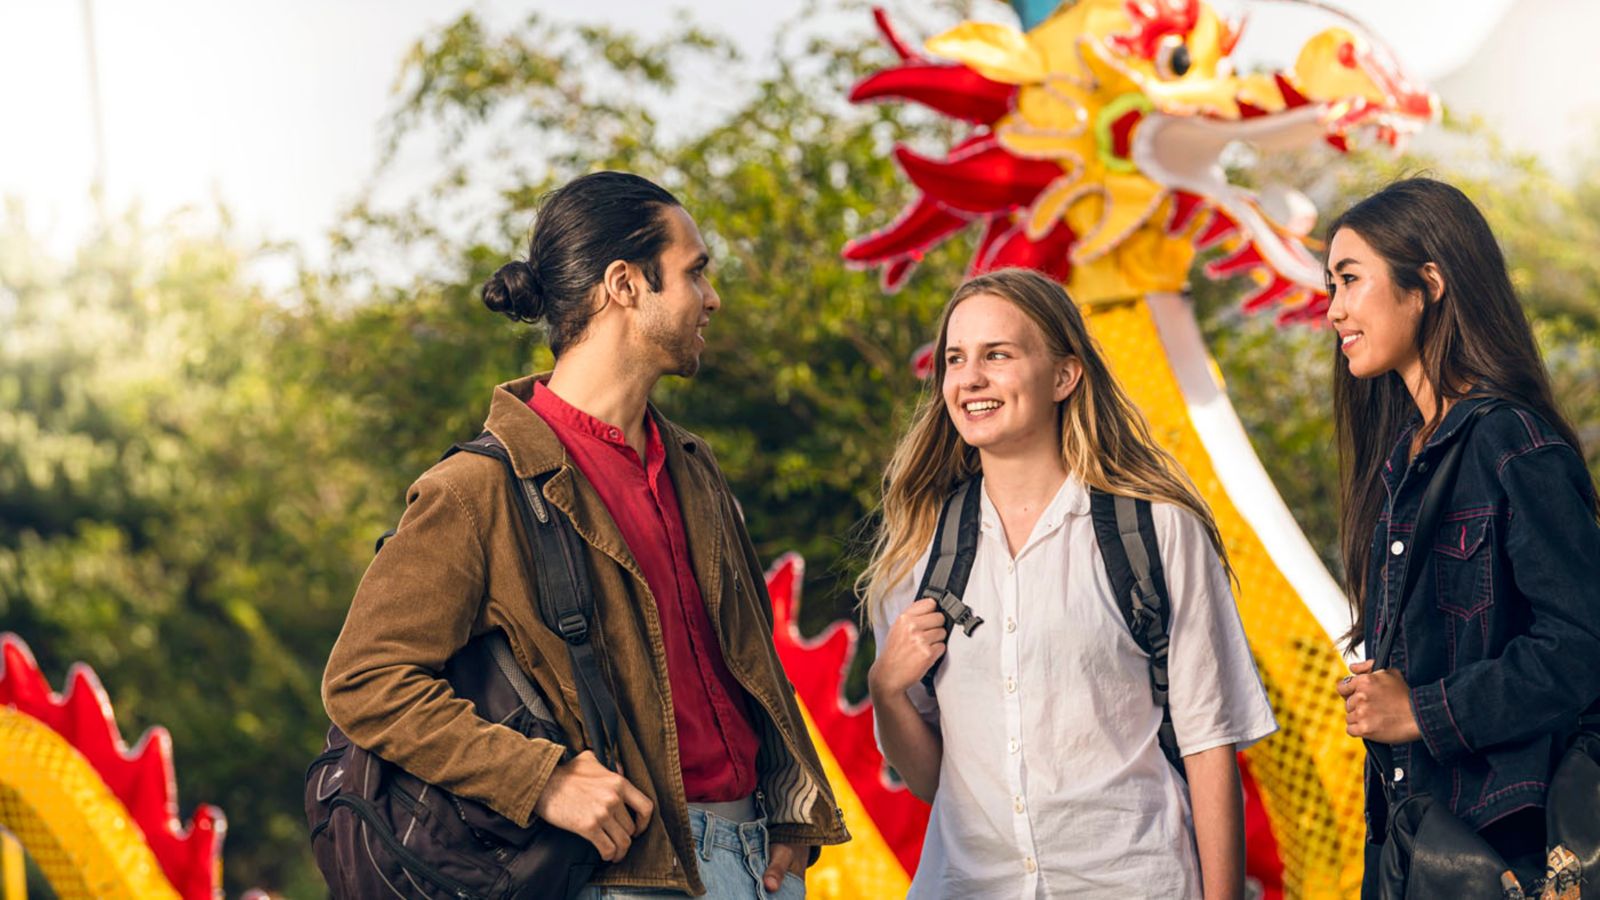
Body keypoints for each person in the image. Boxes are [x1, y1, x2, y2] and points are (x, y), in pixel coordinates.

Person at [321, 170, 847, 898]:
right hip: (627, 876)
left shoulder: (691, 463)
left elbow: (744, 658)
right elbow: (364, 681)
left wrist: (791, 809)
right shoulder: (477, 490)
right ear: (625, 284)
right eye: (695, 272)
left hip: (759, 864)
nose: (712, 297)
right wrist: (540, 780)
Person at [861, 267, 1277, 899]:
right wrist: (886, 690)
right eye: (956, 359)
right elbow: (932, 781)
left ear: (1063, 375)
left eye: (997, 355)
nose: (970, 378)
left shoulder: (1158, 530)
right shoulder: (919, 552)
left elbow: (1209, 746)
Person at [1325, 177, 1600, 896]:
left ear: (1429, 283)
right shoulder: (1402, 464)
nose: (1334, 312)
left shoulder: (1513, 444)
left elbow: (1582, 648)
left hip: (1512, 849)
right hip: (1421, 850)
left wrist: (1420, 710)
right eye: (1331, 285)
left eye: (1351, 280)